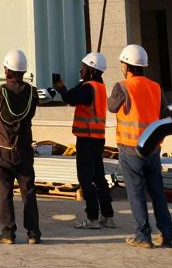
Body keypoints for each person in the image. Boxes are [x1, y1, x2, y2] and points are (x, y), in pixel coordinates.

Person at [109, 44, 172, 249]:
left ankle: (143, 235)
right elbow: (165, 114)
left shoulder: (123, 86)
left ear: (127, 65)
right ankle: (166, 234)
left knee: (136, 193)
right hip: (152, 148)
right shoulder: (155, 87)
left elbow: (112, 107)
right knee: (157, 192)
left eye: (122, 63)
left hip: (130, 149)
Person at [0, 49, 41, 245]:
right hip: (24, 149)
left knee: (5, 191)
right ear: (23, 71)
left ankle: (8, 233)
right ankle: (33, 233)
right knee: (28, 191)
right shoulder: (32, 93)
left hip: (3, 150)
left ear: (7, 71)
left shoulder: (0, 92)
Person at [52, 52, 116, 229]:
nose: (80, 70)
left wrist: (61, 87)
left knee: (85, 178)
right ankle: (108, 216)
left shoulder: (88, 88)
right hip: (97, 139)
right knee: (99, 178)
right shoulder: (99, 87)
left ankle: (92, 218)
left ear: (91, 70)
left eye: (83, 67)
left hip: (87, 139)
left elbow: (70, 98)